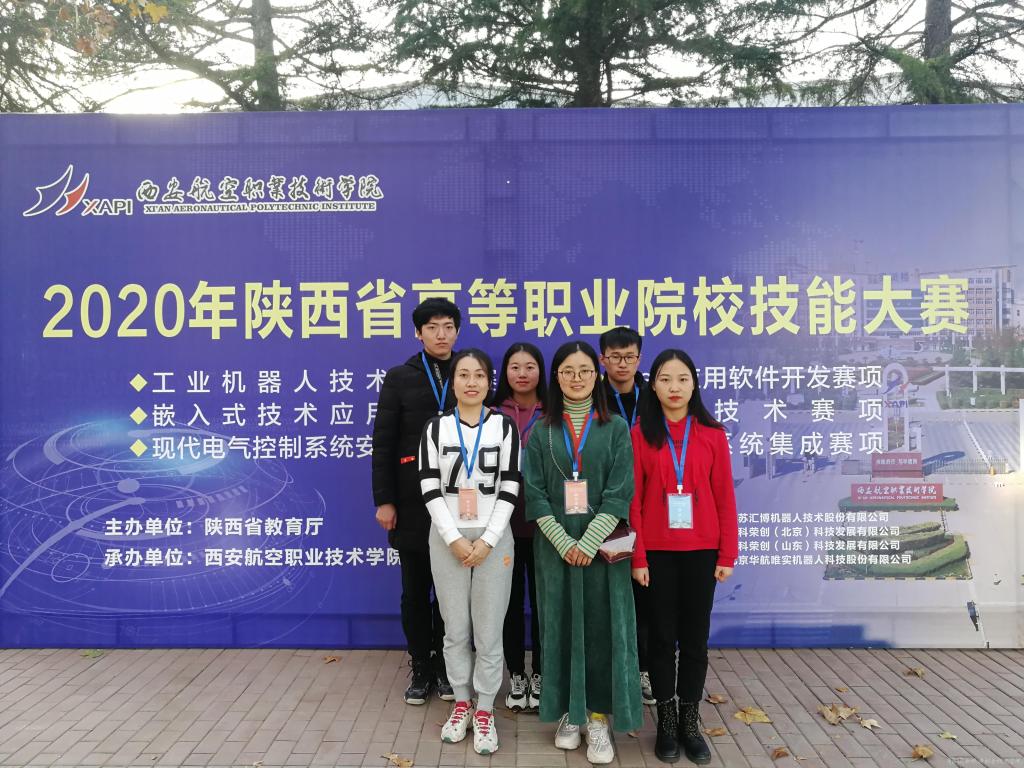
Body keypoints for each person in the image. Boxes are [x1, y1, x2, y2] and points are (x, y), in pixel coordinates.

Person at [523, 340, 641, 765]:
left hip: (604, 549)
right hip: (555, 550)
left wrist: (588, 542)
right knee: (560, 628)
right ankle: (569, 713)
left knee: (603, 629)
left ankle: (597, 717)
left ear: (598, 374)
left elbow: (620, 492)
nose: (577, 378)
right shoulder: (541, 430)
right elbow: (534, 493)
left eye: (585, 370)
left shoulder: (616, 428)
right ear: (556, 377)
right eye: (568, 371)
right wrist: (563, 541)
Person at [629, 349, 739, 765]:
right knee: (660, 640)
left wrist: (727, 552)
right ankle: (667, 723)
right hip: (656, 553)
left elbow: (725, 497)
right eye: (664, 379)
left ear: (694, 384)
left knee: (694, 641)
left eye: (682, 379)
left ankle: (691, 723)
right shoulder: (640, 434)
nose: (674, 387)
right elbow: (633, 502)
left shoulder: (712, 434)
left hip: (702, 552)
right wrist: (638, 557)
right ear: (653, 386)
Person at [419, 348, 521, 755]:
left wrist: (489, 539)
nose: (471, 382)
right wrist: (454, 538)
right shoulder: (436, 428)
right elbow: (429, 486)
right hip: (448, 538)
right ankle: (461, 701)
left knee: (489, 630)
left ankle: (485, 708)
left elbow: (511, 484)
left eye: (479, 375)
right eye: (463, 375)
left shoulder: (504, 426)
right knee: (455, 628)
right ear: (452, 382)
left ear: (489, 381)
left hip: (494, 539)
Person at [371, 298, 459, 705]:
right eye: (433, 327)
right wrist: (385, 500)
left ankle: (446, 665)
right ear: (418, 333)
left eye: (448, 327)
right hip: (411, 502)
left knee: (452, 592)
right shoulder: (400, 377)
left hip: (460, 501)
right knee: (415, 591)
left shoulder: (468, 371)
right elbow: (383, 443)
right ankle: (421, 665)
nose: (441, 334)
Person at [598, 326, 654, 706]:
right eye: (615, 357)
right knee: (612, 589)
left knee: (645, 594)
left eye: (629, 356)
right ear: (602, 359)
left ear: (639, 358)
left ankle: (644, 669)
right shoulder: (592, 396)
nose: (622, 364)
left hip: (649, 511)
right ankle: (611, 669)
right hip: (609, 513)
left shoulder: (653, 396)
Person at [492, 342, 547, 712]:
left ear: (541, 371)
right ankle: (516, 674)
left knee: (544, 606)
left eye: (530, 366)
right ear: (505, 372)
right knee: (509, 605)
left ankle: (541, 673)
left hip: (546, 527)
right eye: (515, 366)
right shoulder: (492, 414)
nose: (523, 373)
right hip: (502, 527)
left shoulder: (554, 413)